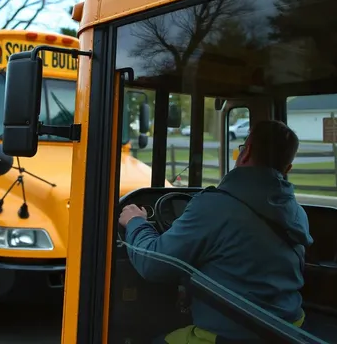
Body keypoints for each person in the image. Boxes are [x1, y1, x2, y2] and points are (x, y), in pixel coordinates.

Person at [119, 120, 314, 343]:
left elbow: (152, 264)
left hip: (236, 337)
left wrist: (135, 222)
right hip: (291, 329)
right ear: (286, 169)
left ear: (246, 152)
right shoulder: (296, 212)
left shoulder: (215, 207)